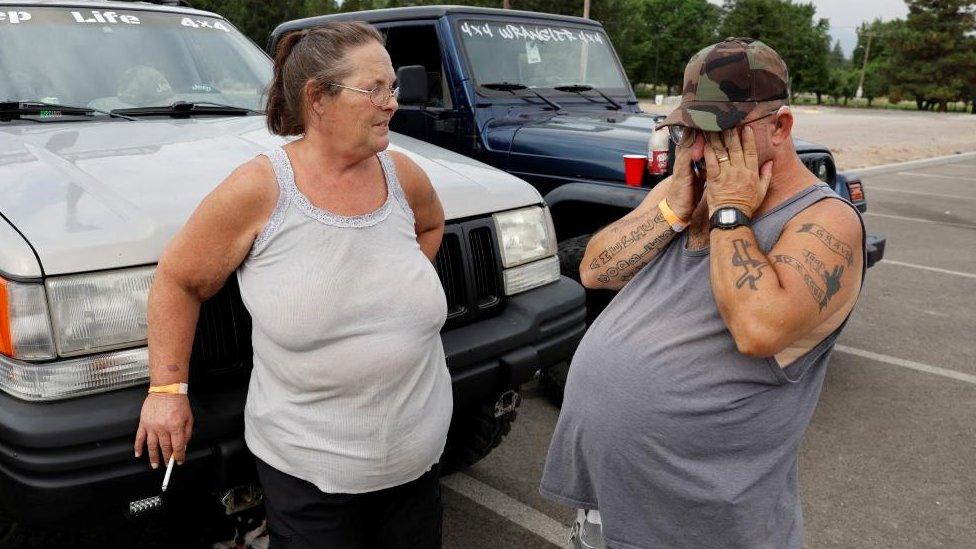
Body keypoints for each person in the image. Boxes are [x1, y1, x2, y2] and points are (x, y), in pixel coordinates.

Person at [134, 21, 452, 548]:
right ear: (318, 99)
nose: (391, 102)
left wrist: (399, 291)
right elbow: (178, 281)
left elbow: (432, 225)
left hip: (417, 463)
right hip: (309, 477)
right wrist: (167, 391)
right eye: (373, 89)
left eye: (392, 87)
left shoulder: (402, 174)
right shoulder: (260, 188)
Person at [540, 38, 865, 549]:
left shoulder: (825, 220)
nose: (695, 148)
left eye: (718, 132)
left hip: (700, 527)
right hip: (613, 505)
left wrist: (730, 212)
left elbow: (759, 328)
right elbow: (595, 270)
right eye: (688, 128)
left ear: (779, 128)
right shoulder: (686, 189)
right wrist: (671, 210)